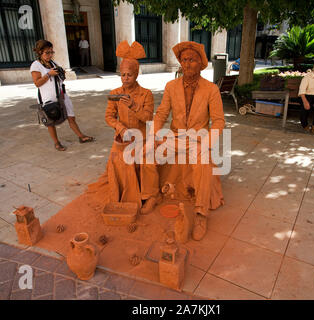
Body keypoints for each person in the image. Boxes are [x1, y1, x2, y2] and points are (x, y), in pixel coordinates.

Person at [151, 41, 225, 241]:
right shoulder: (171, 86)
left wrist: (206, 144)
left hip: (199, 139)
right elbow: (161, 113)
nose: (187, 64)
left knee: (202, 162)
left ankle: (201, 213)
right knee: (147, 152)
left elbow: (219, 122)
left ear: (201, 63)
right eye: (184, 60)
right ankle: (150, 194)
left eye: (191, 60)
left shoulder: (211, 90)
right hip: (175, 136)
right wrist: (154, 135)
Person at [91, 40, 160, 213]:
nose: (125, 78)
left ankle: (150, 196)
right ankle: (122, 193)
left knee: (146, 159)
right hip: (123, 138)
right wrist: (120, 128)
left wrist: (133, 106)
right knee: (117, 159)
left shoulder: (146, 94)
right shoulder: (115, 94)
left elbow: (148, 117)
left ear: (136, 75)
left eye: (129, 74)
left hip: (142, 138)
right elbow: (109, 116)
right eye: (122, 75)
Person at [30, 39, 94, 151]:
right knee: (50, 121)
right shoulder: (36, 65)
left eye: (51, 52)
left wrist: (61, 73)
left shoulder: (53, 63)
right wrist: (48, 74)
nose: (50, 55)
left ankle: (81, 136)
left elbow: (59, 78)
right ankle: (56, 143)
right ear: (40, 52)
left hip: (61, 95)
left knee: (71, 116)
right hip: (47, 97)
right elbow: (37, 83)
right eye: (47, 52)